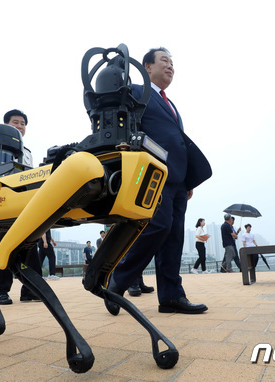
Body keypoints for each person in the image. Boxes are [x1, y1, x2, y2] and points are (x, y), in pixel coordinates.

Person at [105, 47, 211, 315]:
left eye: (172, 62)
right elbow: (124, 125)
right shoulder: (138, 91)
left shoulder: (171, 104)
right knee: (158, 227)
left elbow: (178, 142)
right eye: (164, 60)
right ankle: (117, 281)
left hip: (178, 180)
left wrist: (188, 182)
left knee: (174, 237)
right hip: (153, 173)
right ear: (147, 67)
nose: (170, 66)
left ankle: (171, 296)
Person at [0, 109, 41, 305]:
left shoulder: (27, 152)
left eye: (22, 123)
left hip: (25, 203)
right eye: (15, 122)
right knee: (4, 245)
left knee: (30, 246)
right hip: (3, 202)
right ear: (6, 124)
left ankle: (30, 289)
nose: (20, 126)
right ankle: (0, 291)